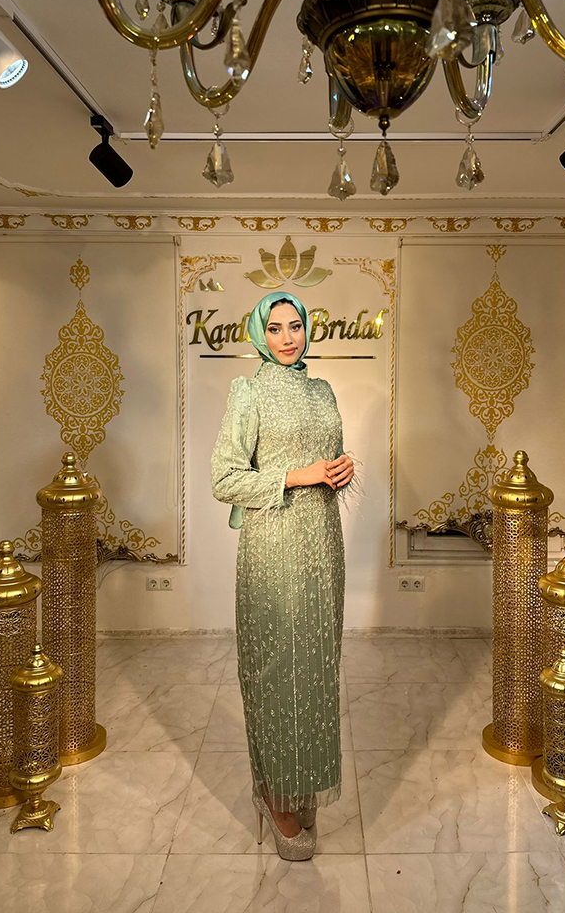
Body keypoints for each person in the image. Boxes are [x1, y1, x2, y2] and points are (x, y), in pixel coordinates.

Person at [211, 291, 355, 861]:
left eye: (295, 326)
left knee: (317, 667)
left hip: (323, 544)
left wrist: (341, 469)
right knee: (274, 669)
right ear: (259, 334)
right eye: (275, 328)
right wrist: (298, 475)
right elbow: (225, 478)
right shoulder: (247, 392)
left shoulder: (323, 391)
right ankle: (274, 796)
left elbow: (327, 459)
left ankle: (301, 780)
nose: (287, 337)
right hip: (272, 547)